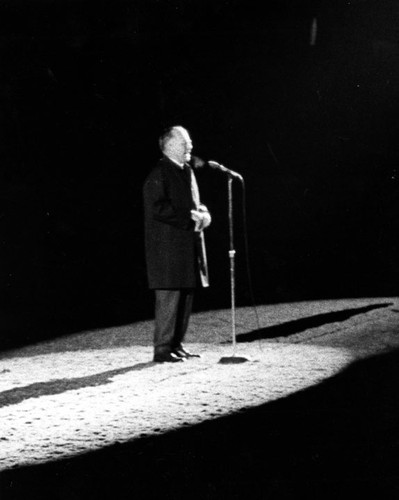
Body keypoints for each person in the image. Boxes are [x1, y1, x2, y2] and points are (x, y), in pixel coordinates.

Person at [143, 126, 211, 362]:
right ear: (169, 145)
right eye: (185, 143)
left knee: (185, 297)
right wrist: (188, 218)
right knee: (170, 300)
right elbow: (157, 208)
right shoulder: (159, 173)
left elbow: (194, 203)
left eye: (190, 142)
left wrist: (203, 213)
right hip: (168, 252)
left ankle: (177, 345)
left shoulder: (187, 171)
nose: (190, 146)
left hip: (186, 249)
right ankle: (162, 349)